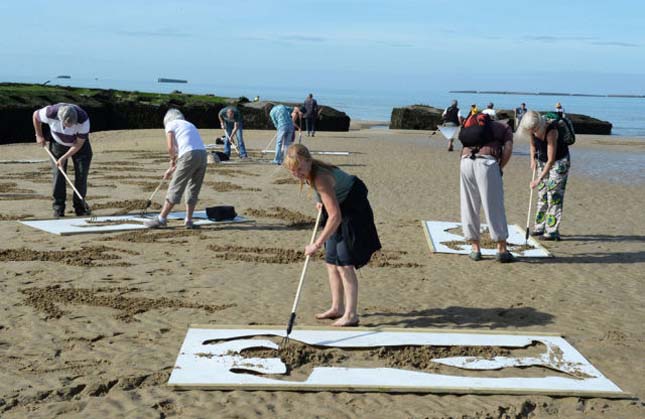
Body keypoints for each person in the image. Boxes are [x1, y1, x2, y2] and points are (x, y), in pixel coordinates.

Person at [283, 144, 381, 327]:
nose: (297, 174)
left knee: (344, 263)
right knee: (331, 261)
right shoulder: (310, 173)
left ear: (308, 161)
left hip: (353, 209)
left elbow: (335, 216)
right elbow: (323, 194)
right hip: (339, 206)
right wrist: (320, 201)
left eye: (300, 169)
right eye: (293, 171)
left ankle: (351, 314)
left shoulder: (321, 177)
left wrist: (316, 244)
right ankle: (337, 307)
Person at [460, 119, 515, 262]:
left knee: (469, 205)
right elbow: (508, 148)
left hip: (465, 161)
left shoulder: (473, 124)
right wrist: (500, 167)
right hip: (487, 162)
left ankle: (475, 248)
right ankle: (501, 250)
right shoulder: (505, 127)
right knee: (494, 205)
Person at [144, 109, 207, 229]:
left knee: (176, 186)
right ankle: (188, 220)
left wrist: (172, 161)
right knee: (193, 187)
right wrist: (172, 168)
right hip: (203, 154)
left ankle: (161, 219)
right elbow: (186, 152)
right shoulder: (189, 124)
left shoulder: (171, 125)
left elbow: (170, 147)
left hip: (190, 155)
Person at [518, 110, 571, 241]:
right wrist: (532, 160)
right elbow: (532, 146)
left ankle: (552, 231)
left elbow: (551, 160)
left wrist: (538, 179)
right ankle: (539, 227)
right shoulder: (531, 129)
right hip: (542, 161)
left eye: (535, 129)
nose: (533, 131)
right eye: (531, 129)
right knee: (542, 195)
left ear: (540, 124)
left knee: (554, 195)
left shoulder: (551, 131)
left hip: (559, 163)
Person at [32, 103, 92, 217]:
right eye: (66, 124)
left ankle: (80, 207)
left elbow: (78, 145)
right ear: (60, 119)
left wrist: (64, 157)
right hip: (57, 144)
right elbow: (35, 115)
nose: (69, 127)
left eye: (72, 124)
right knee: (58, 174)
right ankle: (58, 208)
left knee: (81, 174)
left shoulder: (83, 120)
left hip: (79, 146)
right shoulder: (50, 112)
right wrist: (39, 135)